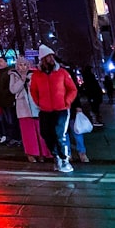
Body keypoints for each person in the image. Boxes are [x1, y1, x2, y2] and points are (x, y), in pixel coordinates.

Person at [30, 44, 77, 173]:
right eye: (47, 58)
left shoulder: (62, 73)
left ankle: (64, 159)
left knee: (59, 135)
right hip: (45, 110)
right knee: (46, 134)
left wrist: (66, 101)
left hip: (61, 109)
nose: (50, 60)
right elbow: (33, 90)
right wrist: (39, 102)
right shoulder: (37, 75)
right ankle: (56, 156)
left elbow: (72, 89)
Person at [8, 55, 51, 163]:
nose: (23, 67)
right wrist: (22, 81)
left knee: (40, 131)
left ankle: (42, 153)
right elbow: (13, 90)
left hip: (36, 107)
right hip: (23, 108)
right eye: (20, 65)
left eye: (24, 65)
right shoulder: (14, 75)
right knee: (28, 133)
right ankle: (31, 153)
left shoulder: (34, 74)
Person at [0, 57, 21, 146]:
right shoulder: (0, 73)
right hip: (3, 101)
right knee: (8, 121)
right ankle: (11, 137)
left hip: (9, 101)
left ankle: (15, 138)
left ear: (6, 62)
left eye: (1, 61)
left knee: (11, 120)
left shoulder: (9, 73)